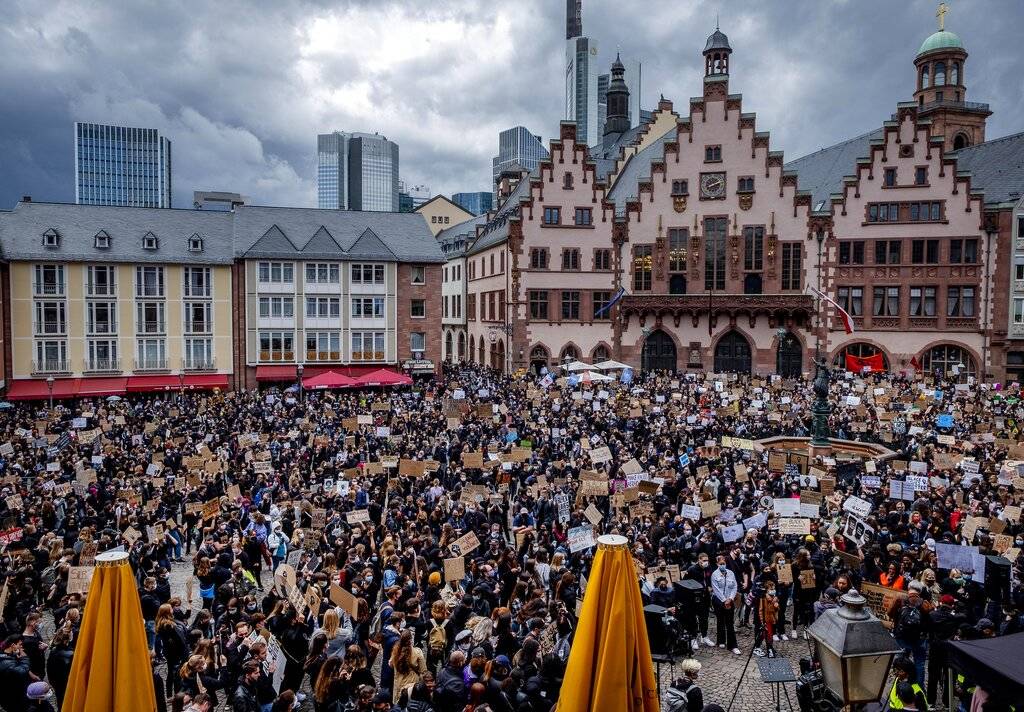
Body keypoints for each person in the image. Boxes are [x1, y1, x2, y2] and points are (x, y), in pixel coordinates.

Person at [710, 555, 739, 654]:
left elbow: (734, 586)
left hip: (729, 599)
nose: (723, 565)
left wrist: (730, 598)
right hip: (718, 600)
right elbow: (716, 589)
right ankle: (721, 640)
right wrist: (724, 600)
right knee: (720, 620)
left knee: (730, 623)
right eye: (720, 563)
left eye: (724, 563)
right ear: (717, 564)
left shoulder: (730, 573)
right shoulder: (714, 574)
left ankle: (733, 645)